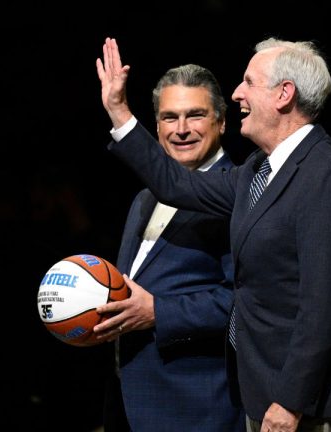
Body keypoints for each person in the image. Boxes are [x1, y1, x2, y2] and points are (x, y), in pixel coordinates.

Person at [95, 37, 331, 432]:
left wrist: (290, 401)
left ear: (284, 94)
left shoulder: (324, 174)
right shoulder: (258, 171)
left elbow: (326, 305)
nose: (236, 93)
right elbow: (177, 185)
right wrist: (119, 112)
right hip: (266, 397)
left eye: (249, 82)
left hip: (312, 407)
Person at [96, 63, 245, 431]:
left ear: (221, 122)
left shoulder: (237, 196)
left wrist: (158, 312)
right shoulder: (144, 199)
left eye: (195, 115)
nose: (181, 129)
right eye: (169, 117)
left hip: (197, 411)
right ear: (157, 126)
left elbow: (244, 301)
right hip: (129, 403)